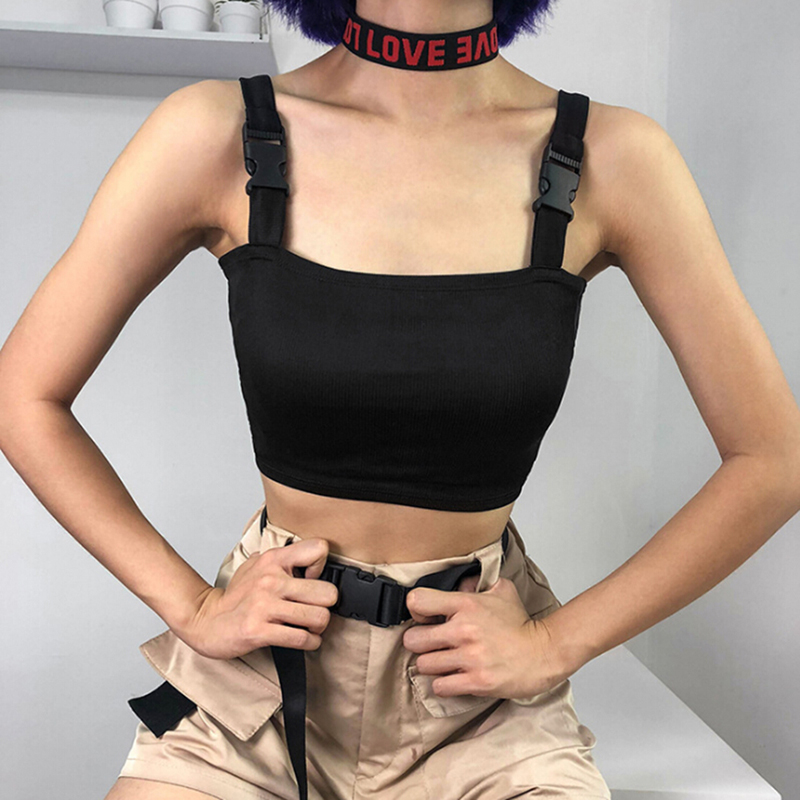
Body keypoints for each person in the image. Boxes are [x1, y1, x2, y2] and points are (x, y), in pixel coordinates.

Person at [2, 1, 799, 799]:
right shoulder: (218, 131)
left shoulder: (611, 156)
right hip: (257, 692)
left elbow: (773, 458)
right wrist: (194, 608)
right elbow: (23, 394)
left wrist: (556, 643)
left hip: (478, 715)